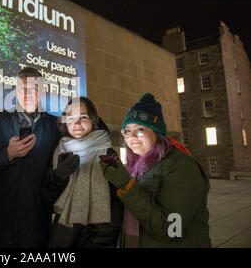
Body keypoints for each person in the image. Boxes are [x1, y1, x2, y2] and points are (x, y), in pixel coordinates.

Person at [99, 93, 212, 247]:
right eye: (126, 130)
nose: (131, 136)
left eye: (139, 129)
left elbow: (170, 229)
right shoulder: (136, 165)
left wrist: (126, 184)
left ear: (156, 132)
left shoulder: (181, 166)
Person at [0, 66, 60, 247]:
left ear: (42, 92)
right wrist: (7, 155)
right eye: (23, 88)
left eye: (34, 89)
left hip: (36, 223)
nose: (28, 94)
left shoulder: (55, 127)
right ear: (16, 91)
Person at [43, 96, 123, 248]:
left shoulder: (107, 154)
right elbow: (48, 199)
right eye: (71, 117)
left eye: (83, 117)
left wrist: (100, 243)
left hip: (95, 241)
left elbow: (115, 207)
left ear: (93, 120)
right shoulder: (59, 151)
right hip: (62, 239)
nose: (77, 123)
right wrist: (58, 178)